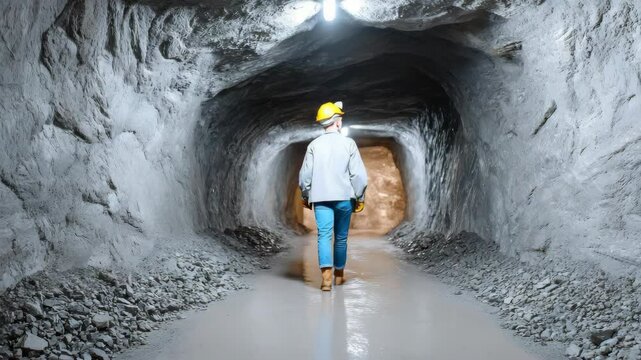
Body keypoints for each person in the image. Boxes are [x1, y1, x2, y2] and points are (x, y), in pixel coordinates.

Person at [298, 101, 368, 291]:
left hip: (320, 199)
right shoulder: (348, 144)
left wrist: (305, 195)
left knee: (324, 235)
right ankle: (339, 275)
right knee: (341, 238)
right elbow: (358, 176)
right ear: (337, 122)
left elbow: (305, 175)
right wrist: (360, 197)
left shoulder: (314, 145)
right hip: (344, 198)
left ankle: (326, 279)